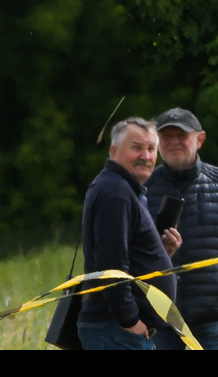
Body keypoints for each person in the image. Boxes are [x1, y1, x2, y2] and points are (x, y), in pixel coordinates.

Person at [145, 108, 218, 351]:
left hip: (214, 318)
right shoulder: (143, 188)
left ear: (199, 140)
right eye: (167, 136)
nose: (174, 141)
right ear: (157, 142)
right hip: (159, 318)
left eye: (182, 135)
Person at [76, 118, 182, 350]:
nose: (146, 156)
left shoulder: (124, 190)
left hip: (117, 331)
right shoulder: (116, 193)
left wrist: (162, 254)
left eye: (151, 149)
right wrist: (129, 320)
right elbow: (111, 264)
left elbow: (126, 256)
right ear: (114, 151)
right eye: (137, 147)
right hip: (115, 331)